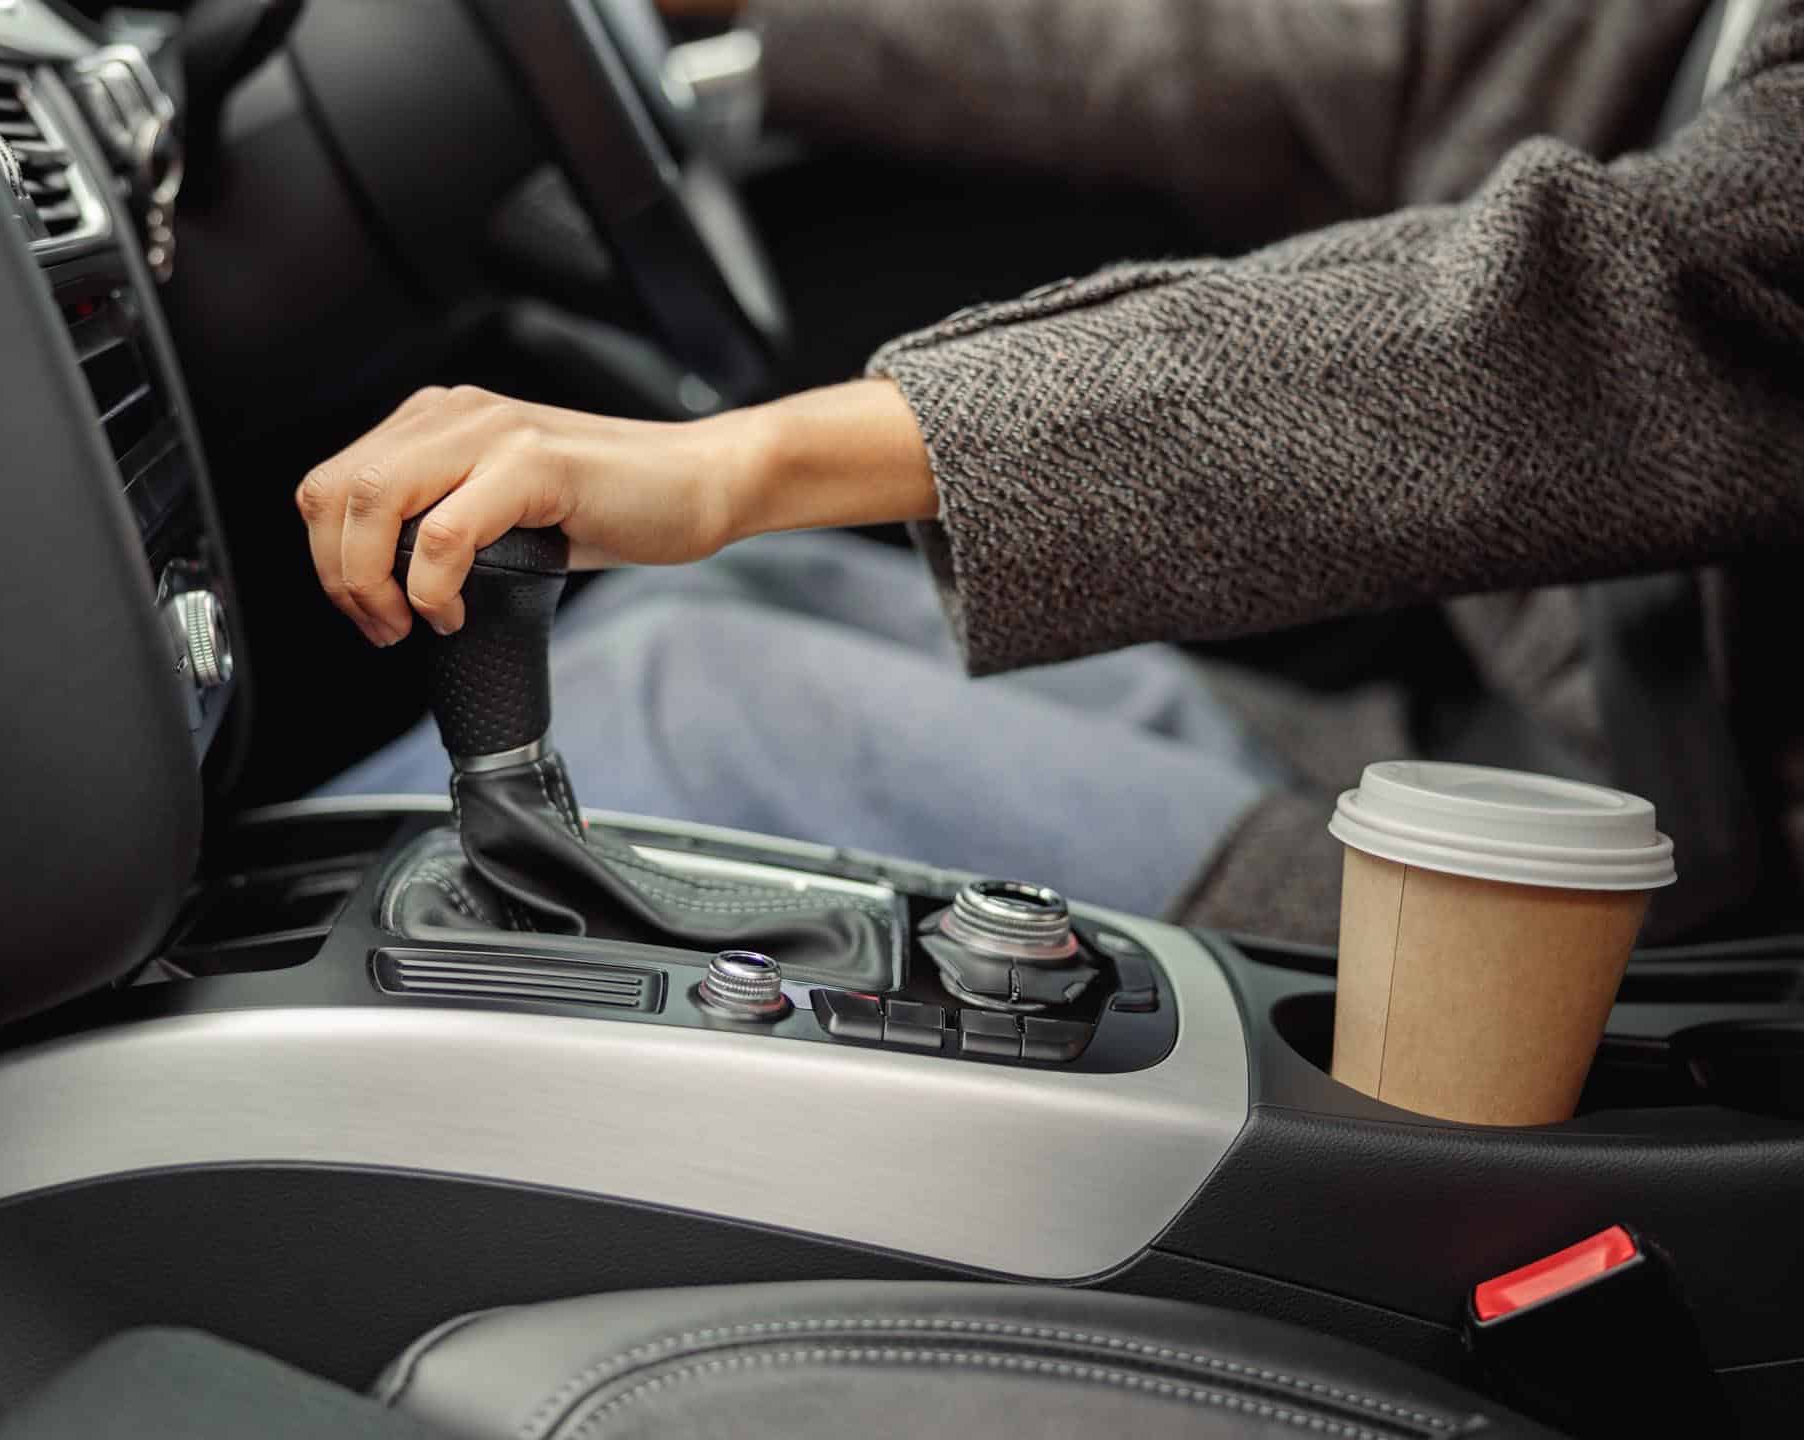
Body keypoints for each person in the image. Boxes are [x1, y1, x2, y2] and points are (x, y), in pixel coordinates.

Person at [307, 0, 1804, 943]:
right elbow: (1332, 50)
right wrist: (753, 21)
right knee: (717, 617)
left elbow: (1589, 318)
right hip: (1481, 741)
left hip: (1603, 908)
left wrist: (742, 463)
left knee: (672, 701)